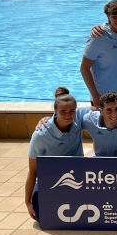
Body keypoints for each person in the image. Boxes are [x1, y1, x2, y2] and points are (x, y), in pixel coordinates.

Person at [25, 87, 88, 221]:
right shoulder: (41, 135)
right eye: (62, 112)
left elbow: (102, 110)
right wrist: (28, 202)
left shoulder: (78, 120)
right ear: (55, 111)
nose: (68, 116)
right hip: (52, 180)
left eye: (72, 111)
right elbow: (32, 171)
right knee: (41, 215)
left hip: (77, 177)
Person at [81, 0, 117, 111]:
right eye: (114, 16)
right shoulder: (98, 37)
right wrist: (95, 95)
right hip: (104, 97)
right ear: (108, 16)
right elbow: (84, 68)